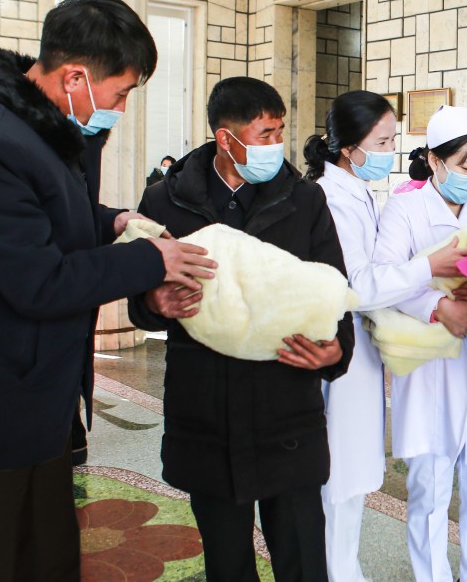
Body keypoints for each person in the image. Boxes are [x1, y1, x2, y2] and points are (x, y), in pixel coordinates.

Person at [0, 0, 215, 581]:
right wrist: (151, 262)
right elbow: (40, 281)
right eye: (121, 92)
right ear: (74, 75)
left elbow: (43, 215)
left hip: (37, 398)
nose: (121, 109)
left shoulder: (38, 126)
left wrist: (113, 222)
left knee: (46, 550)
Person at [128, 77, 355, 582]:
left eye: (280, 131)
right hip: (204, 404)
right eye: (265, 133)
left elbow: (334, 288)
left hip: (285, 404)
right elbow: (138, 299)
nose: (276, 144)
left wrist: (335, 353)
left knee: (302, 558)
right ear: (225, 139)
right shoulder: (166, 201)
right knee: (227, 564)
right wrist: (153, 302)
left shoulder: (303, 199)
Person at [302, 91, 467, 582]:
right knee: (341, 479)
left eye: (394, 139)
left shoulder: (356, 189)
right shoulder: (332, 197)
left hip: (360, 349)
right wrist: (429, 268)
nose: (390, 151)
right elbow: (359, 283)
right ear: (348, 146)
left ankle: (343, 570)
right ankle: (338, 573)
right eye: (382, 141)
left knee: (351, 475)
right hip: (342, 347)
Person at [371, 106, 467, 582]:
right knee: (430, 488)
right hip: (432, 359)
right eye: (464, 167)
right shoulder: (405, 208)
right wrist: (437, 307)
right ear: (435, 161)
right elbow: (383, 279)